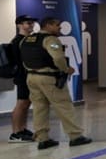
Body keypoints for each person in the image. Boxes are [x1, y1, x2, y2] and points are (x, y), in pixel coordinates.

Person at [19, 16, 92, 150]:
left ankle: (42, 138)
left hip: (31, 77)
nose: (59, 28)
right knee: (64, 106)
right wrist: (66, 69)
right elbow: (58, 57)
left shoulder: (26, 40)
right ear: (48, 25)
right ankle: (75, 136)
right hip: (48, 77)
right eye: (57, 25)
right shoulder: (50, 39)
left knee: (39, 108)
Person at [7, 15, 36, 143]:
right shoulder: (17, 41)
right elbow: (19, 61)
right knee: (21, 104)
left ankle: (22, 129)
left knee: (26, 104)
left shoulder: (27, 40)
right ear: (19, 25)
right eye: (28, 23)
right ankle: (15, 132)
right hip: (22, 76)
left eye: (32, 23)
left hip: (28, 76)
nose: (31, 25)